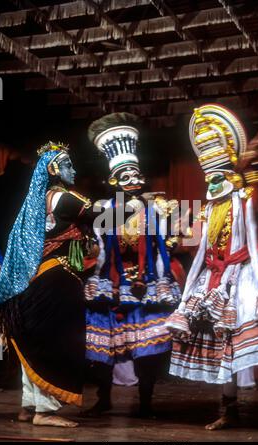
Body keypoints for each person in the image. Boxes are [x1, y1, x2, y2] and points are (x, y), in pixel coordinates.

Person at [166, 104, 258, 430]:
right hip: (217, 279)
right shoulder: (209, 210)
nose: (212, 183)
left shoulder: (247, 199)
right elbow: (200, 248)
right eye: (209, 177)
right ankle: (229, 409)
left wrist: (253, 166)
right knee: (224, 346)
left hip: (255, 272)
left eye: (219, 176)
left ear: (233, 176)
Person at [83, 113, 185, 418]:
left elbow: (163, 248)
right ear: (114, 180)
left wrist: (161, 271)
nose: (133, 181)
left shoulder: (154, 210)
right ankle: (104, 398)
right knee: (105, 350)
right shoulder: (106, 210)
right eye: (125, 177)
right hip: (113, 285)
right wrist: (98, 276)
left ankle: (145, 402)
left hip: (144, 285)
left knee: (147, 349)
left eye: (136, 176)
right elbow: (100, 249)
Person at [0, 141, 100, 427]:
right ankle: (43, 412)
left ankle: (28, 408)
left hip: (34, 282)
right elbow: (106, 216)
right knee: (55, 345)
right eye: (68, 164)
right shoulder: (64, 199)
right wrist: (136, 204)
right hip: (53, 282)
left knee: (35, 345)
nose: (74, 169)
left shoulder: (36, 202)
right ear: (54, 169)